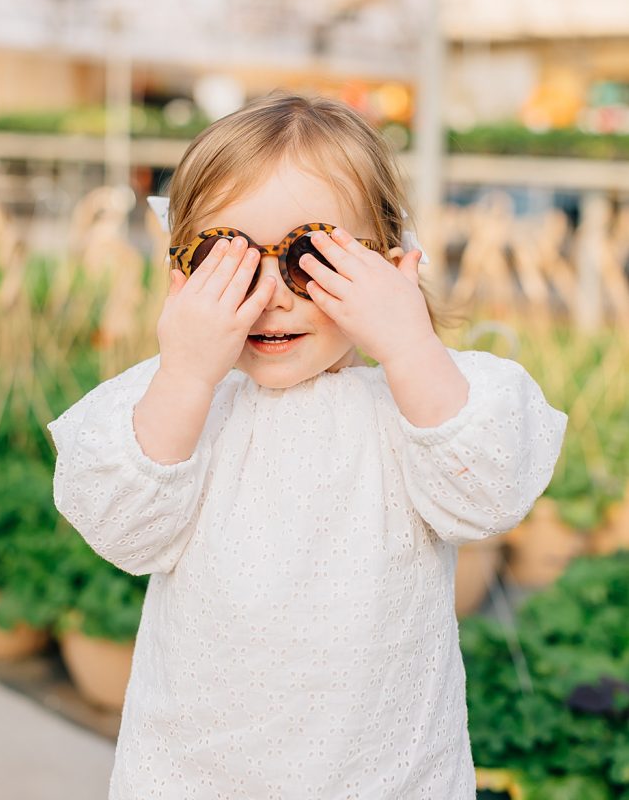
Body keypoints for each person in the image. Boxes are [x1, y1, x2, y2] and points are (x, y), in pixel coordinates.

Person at [48, 92, 568, 800]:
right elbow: (124, 528)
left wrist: (409, 341)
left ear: (389, 269)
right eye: (225, 262)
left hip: (386, 778)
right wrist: (186, 372)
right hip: (196, 777)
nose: (270, 296)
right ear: (179, 280)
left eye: (309, 259)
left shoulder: (419, 405)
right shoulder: (174, 404)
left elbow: (486, 495)